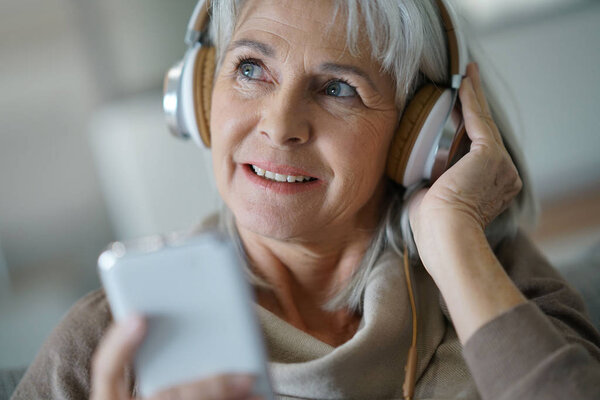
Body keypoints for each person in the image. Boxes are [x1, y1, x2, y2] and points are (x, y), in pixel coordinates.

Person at [11, 0, 600, 399]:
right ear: (199, 92)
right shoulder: (106, 342)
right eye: (250, 69)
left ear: (420, 137)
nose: (280, 124)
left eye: (338, 87)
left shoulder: (491, 279)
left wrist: (450, 237)